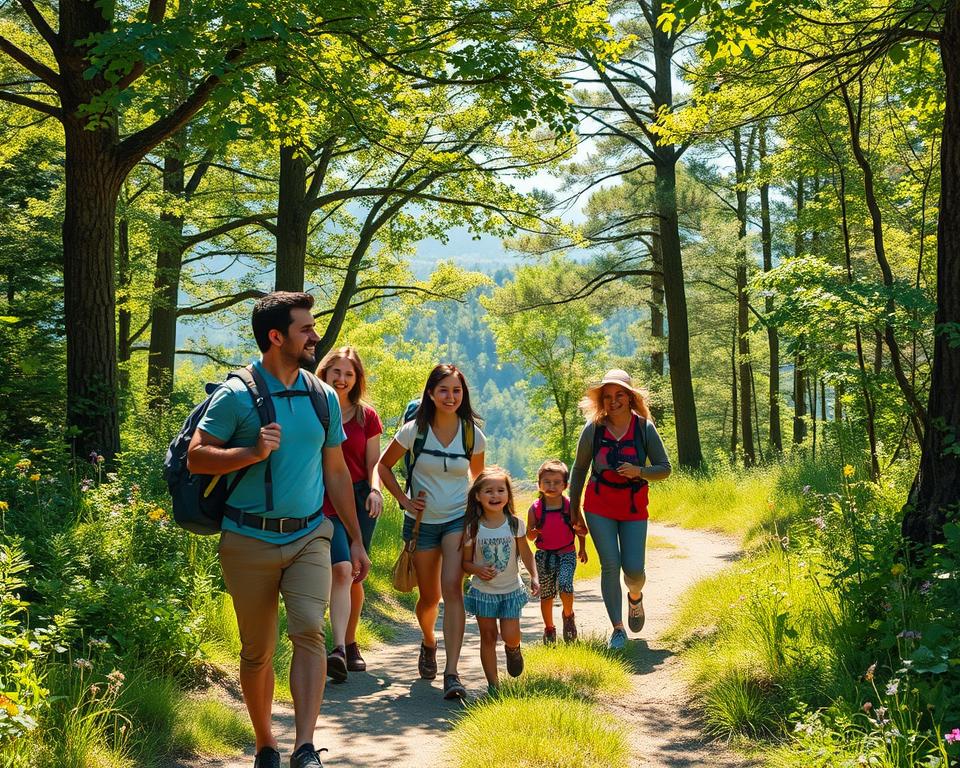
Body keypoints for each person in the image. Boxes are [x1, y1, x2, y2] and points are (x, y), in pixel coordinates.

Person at [187, 292, 371, 768]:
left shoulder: (322, 395)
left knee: (309, 632)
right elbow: (197, 456)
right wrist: (250, 453)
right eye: (305, 328)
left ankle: (304, 747)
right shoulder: (235, 395)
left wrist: (352, 536)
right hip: (247, 538)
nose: (315, 336)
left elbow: (335, 473)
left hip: (312, 534)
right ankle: (266, 743)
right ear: (276, 337)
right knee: (257, 650)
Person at [378, 364, 485, 699]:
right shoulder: (414, 430)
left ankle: (452, 673)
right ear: (430, 394)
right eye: (443, 390)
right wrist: (404, 502)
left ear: (463, 395)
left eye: (456, 391)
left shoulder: (472, 435)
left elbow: (478, 483)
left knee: (453, 590)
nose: (450, 397)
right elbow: (382, 466)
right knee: (429, 599)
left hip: (456, 520)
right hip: (421, 525)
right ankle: (428, 641)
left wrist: (477, 524)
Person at [568, 369, 671, 650]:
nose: (613, 401)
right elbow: (579, 470)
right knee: (610, 565)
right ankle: (617, 629)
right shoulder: (593, 428)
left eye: (620, 395)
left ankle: (635, 596)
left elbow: (665, 469)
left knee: (634, 569)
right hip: (599, 504)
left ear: (630, 397)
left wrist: (639, 470)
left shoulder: (644, 427)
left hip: (633, 505)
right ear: (601, 400)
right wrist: (573, 507)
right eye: (608, 396)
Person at [316, 347, 384, 682]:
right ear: (325, 373)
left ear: (357, 379)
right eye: (336, 373)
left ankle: (350, 641)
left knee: (355, 573)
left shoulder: (366, 416)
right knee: (342, 570)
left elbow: (375, 464)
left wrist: (376, 489)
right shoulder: (315, 410)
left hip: (360, 499)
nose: (341, 380)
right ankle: (339, 648)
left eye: (349, 374)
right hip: (325, 498)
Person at [462, 466, 539, 694]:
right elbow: (465, 564)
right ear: (477, 495)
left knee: (510, 635)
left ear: (508, 495)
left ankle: (513, 649)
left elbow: (526, 553)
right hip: (483, 592)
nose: (495, 496)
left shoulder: (515, 524)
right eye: (488, 491)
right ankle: (494, 686)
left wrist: (534, 576)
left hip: (511, 590)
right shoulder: (473, 528)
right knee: (488, 636)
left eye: (500, 490)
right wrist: (477, 569)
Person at [526, 459, 587, 644]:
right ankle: (549, 629)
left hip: (566, 552)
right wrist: (535, 531)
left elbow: (583, 529)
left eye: (556, 482)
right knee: (546, 594)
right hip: (544, 555)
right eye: (547, 482)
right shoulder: (535, 509)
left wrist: (582, 548)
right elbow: (529, 536)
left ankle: (568, 618)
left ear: (565, 485)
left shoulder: (570, 506)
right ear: (539, 484)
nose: (551, 486)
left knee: (566, 585)